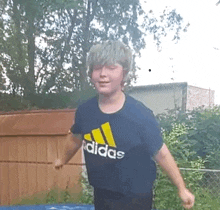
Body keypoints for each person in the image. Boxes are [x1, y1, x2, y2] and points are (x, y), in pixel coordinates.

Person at [54, 40, 195, 210]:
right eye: (97, 68)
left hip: (135, 197)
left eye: (111, 68)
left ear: (124, 73)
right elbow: (75, 138)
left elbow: (161, 153)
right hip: (102, 192)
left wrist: (182, 188)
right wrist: (62, 159)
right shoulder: (85, 111)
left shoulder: (140, 115)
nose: (102, 74)